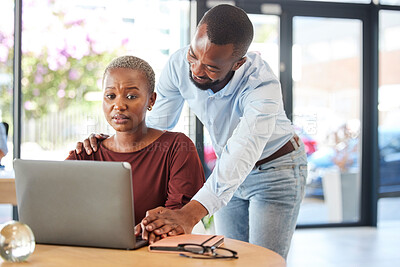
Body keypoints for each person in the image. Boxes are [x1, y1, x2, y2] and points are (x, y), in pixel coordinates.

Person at [77, 5, 307, 259]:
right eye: (194, 55)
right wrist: (110, 142)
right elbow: (155, 125)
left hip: (276, 169)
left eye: (211, 67)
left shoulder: (262, 87)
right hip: (226, 170)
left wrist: (189, 214)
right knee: (229, 259)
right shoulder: (178, 64)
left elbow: (243, 149)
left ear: (237, 63)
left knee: (263, 261)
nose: (196, 70)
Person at [67, 55, 205, 238]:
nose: (119, 105)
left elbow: (174, 221)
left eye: (131, 96)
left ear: (151, 100)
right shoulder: (86, 154)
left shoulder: (177, 148)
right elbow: (61, 212)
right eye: (110, 96)